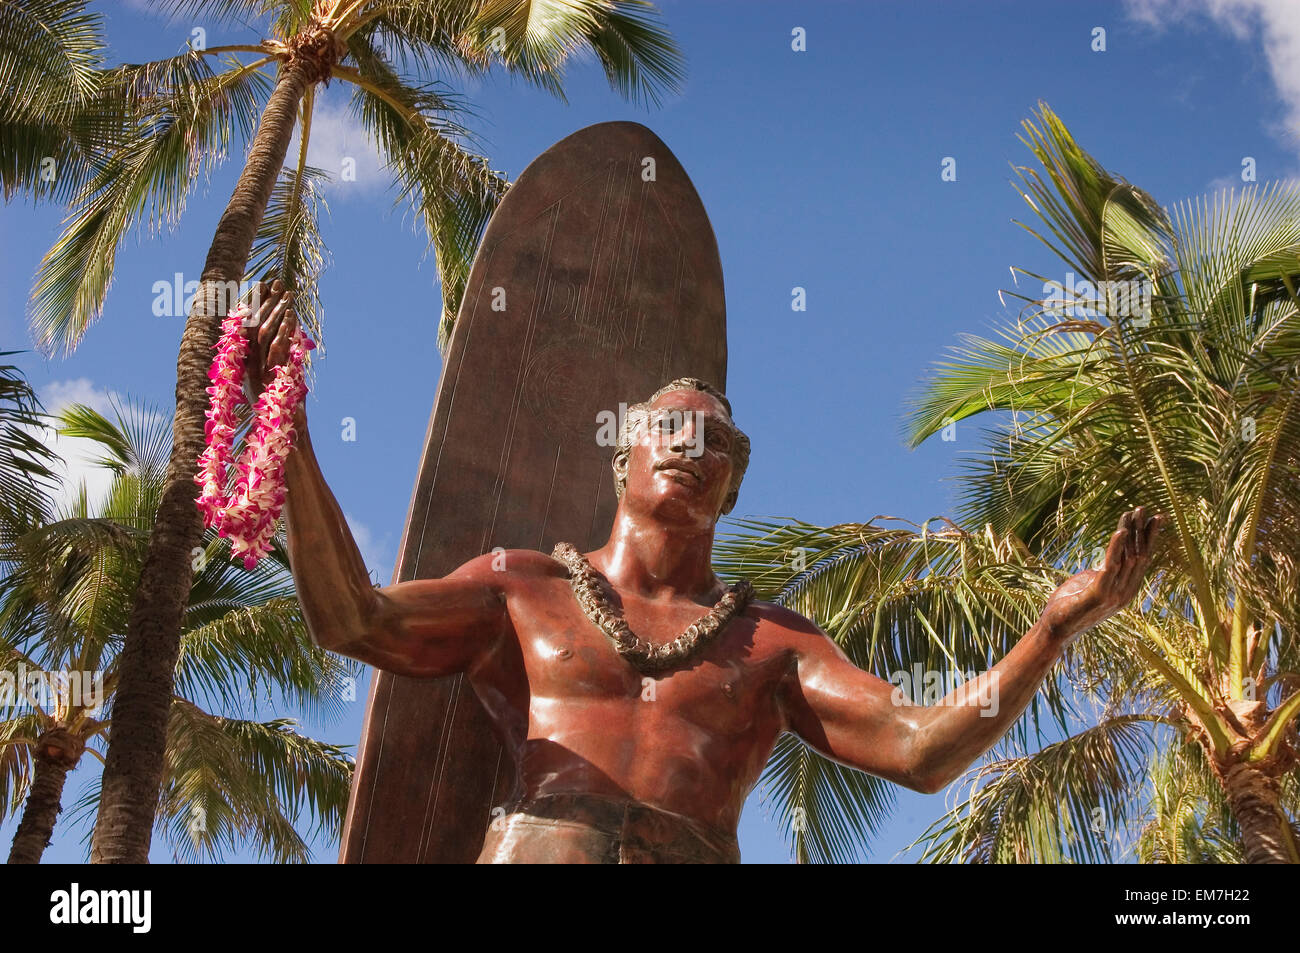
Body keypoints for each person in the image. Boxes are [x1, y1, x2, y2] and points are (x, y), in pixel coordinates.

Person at [246, 282, 1164, 863]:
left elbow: (918, 749)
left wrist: (1053, 627)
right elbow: (354, 619)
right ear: (623, 457)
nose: (693, 445)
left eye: (716, 439)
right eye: (671, 428)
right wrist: (286, 433)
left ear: (736, 477)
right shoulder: (519, 588)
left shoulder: (774, 642)